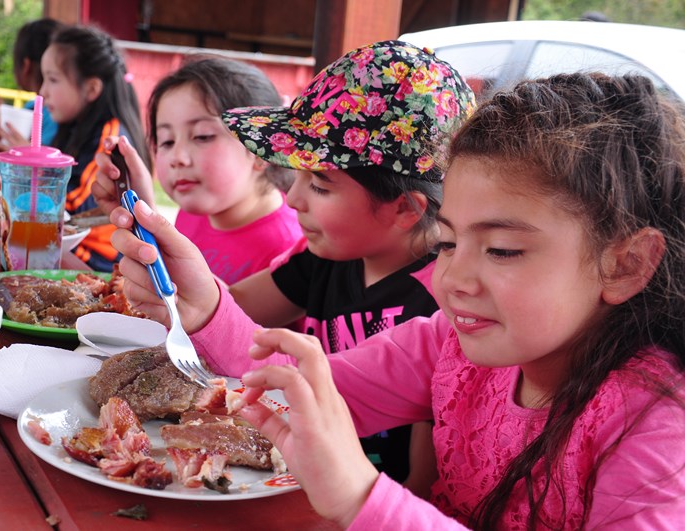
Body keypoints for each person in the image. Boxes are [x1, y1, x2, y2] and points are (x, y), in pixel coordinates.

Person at [112, 72, 685, 527]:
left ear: (627, 263)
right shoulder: (447, 345)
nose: (451, 279)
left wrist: (361, 496)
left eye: (502, 250)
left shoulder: (658, 433)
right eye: (450, 243)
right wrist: (202, 307)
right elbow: (304, 393)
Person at [107, 41, 476, 488]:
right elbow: (227, 313)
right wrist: (158, 246)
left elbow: (421, 484)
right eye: (297, 175)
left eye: (319, 184)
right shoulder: (320, 258)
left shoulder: (445, 306)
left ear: (405, 208)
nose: (294, 198)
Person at [93, 55, 302, 284]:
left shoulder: (288, 250)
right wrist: (142, 211)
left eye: (203, 136)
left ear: (261, 150)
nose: (178, 158)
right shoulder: (192, 215)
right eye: (167, 141)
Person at [41, 24, 152, 272]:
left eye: (52, 79)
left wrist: (35, 170)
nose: (42, 91)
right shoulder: (74, 126)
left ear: (91, 88)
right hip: (72, 245)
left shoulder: (110, 137)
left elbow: (72, 208)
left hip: (98, 261)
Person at [0, 18, 62, 156]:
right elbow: (7, 162)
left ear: (26, 66)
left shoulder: (55, 115)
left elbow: (38, 165)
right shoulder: (31, 107)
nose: (44, 92)